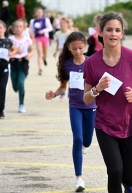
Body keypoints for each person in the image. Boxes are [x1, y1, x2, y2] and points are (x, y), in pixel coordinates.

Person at [83, 12, 132, 193]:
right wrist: (97, 88)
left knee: (129, 176)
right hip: (105, 123)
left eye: (117, 30)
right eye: (109, 30)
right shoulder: (92, 62)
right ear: (100, 32)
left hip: (130, 121)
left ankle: (130, 185)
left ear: (122, 34)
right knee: (114, 170)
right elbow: (86, 98)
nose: (113, 34)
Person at [45, 32, 96, 192]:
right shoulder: (67, 64)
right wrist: (53, 94)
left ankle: (84, 148)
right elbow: (62, 87)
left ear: (85, 47)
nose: (78, 51)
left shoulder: (92, 62)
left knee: (87, 141)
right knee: (78, 139)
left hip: (92, 106)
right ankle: (79, 179)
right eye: (74, 49)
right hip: (75, 106)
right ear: (69, 48)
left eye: (81, 48)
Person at [8, 19, 34, 113]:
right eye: (17, 26)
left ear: (24, 28)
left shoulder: (27, 39)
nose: (18, 28)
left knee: (21, 83)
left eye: (20, 27)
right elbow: (8, 52)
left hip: (23, 63)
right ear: (14, 28)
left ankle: (21, 104)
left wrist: (29, 55)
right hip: (13, 62)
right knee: (15, 86)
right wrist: (14, 51)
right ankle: (18, 89)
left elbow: (32, 50)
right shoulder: (10, 39)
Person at [29, 8, 53, 75]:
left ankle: (44, 58)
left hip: (45, 37)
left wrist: (43, 31)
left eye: (40, 12)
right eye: (38, 12)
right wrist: (32, 37)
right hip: (37, 38)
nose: (39, 13)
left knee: (45, 53)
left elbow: (50, 28)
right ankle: (40, 69)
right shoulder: (32, 21)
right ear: (36, 13)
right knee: (39, 53)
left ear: (42, 13)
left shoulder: (46, 19)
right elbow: (31, 30)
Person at [53, 17, 71, 99]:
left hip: (69, 55)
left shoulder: (70, 33)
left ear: (67, 24)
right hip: (61, 54)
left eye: (64, 23)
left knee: (70, 73)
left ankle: (70, 90)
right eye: (61, 23)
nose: (62, 25)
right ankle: (62, 89)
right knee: (62, 73)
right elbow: (57, 43)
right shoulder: (57, 33)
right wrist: (56, 51)